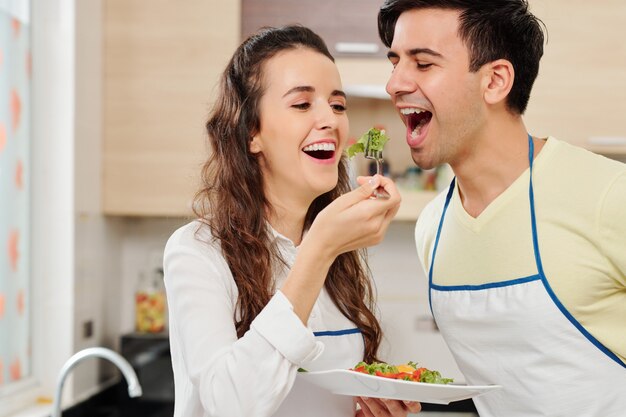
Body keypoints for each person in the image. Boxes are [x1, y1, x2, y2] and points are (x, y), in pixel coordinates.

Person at [378, 1, 626, 416]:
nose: (394, 84)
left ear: (494, 81)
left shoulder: (608, 195)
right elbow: (503, 393)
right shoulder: (433, 229)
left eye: (422, 64)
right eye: (395, 61)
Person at [163, 25, 422, 417]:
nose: (330, 121)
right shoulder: (198, 252)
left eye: (337, 106)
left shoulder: (337, 251)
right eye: (302, 105)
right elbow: (230, 405)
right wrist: (318, 252)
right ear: (252, 132)